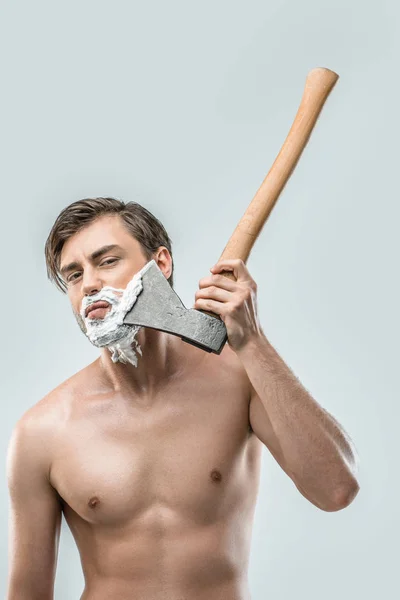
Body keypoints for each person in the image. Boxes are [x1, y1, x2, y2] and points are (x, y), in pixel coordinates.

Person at [6, 197, 360, 600]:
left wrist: (252, 342)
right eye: (73, 275)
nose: (89, 284)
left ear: (160, 265)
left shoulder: (240, 381)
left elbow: (335, 490)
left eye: (106, 261)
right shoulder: (41, 433)